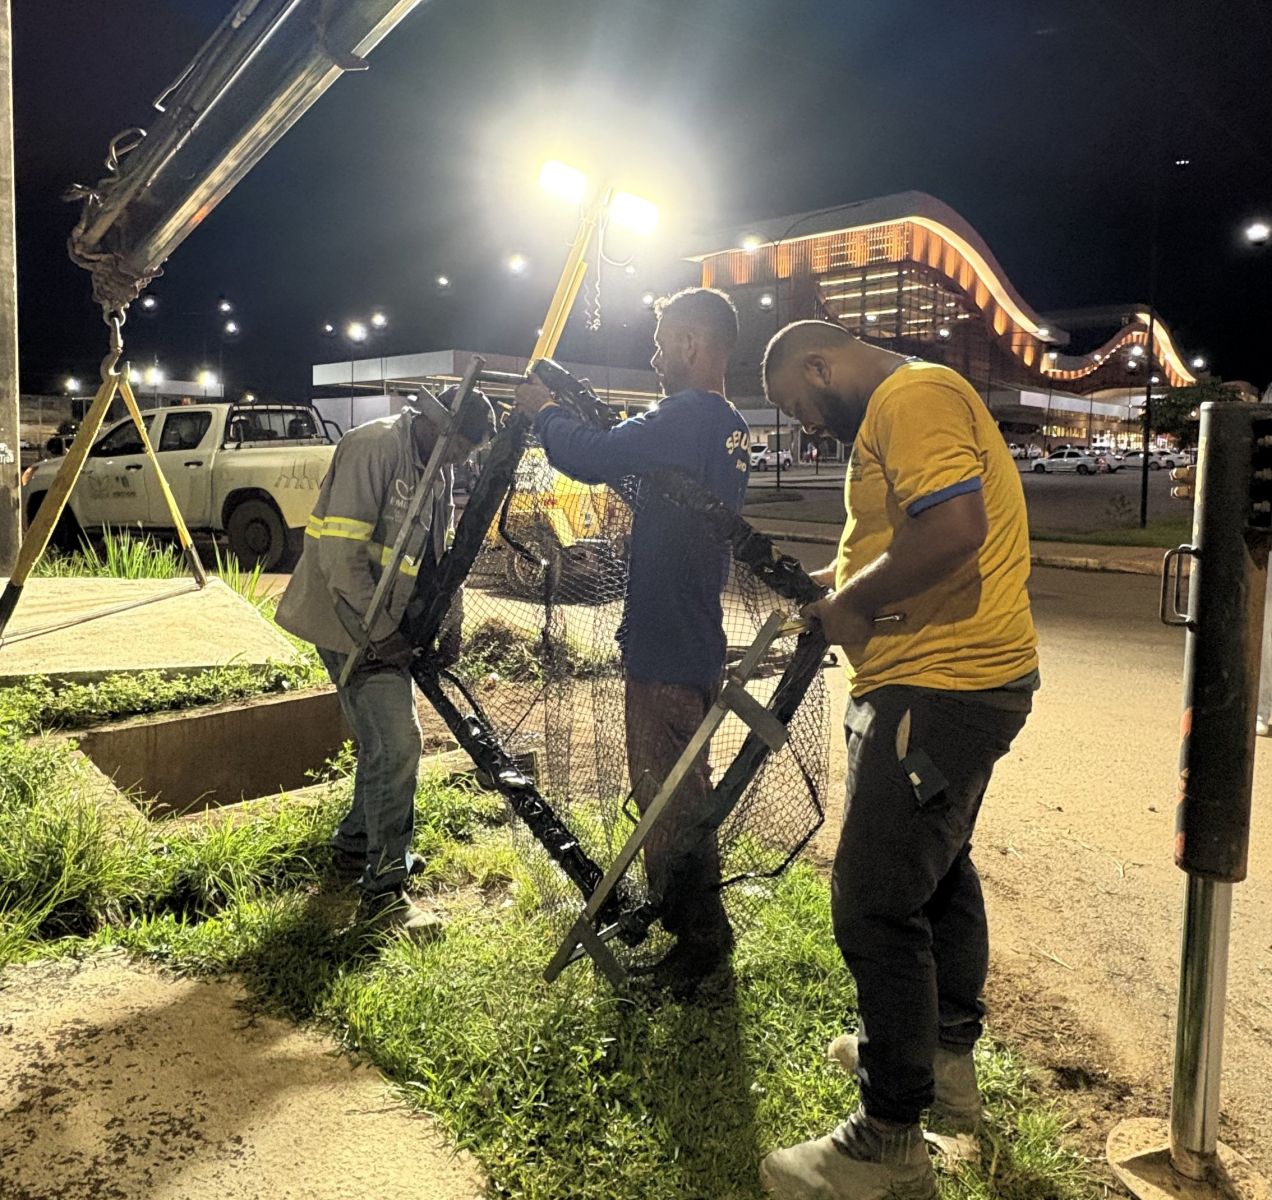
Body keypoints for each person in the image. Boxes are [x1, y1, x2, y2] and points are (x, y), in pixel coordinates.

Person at [757, 320, 1039, 1200]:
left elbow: (952, 528)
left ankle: (887, 1142)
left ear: (819, 365)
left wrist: (851, 604)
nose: (806, 427)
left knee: (875, 900)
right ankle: (941, 1064)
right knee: (938, 873)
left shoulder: (907, 396)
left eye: (799, 408)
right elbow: (911, 530)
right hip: (961, 685)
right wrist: (843, 591)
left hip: (937, 688)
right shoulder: (917, 395)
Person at [514, 287, 750, 995]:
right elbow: (642, 483)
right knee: (682, 793)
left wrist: (544, 413)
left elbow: (593, 457)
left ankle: (700, 946)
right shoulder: (726, 426)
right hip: (692, 640)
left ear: (690, 344)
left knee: (669, 803)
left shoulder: (688, 413)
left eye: (660, 343)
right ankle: (696, 931)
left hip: (667, 651)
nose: (653, 358)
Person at [275, 387, 495, 937]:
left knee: (381, 741)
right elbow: (341, 559)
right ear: (436, 424)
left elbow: (438, 558)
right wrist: (384, 636)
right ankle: (384, 892)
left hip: (384, 626)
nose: (459, 462)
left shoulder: (435, 468)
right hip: (348, 623)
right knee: (399, 744)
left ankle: (357, 844)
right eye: (459, 449)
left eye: (467, 455)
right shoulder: (373, 448)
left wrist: (446, 624)